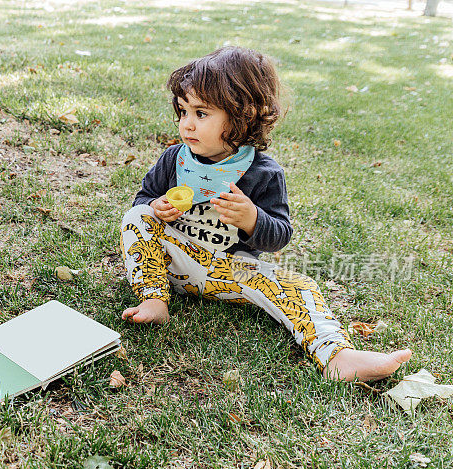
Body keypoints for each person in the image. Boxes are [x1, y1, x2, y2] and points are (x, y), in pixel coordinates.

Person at [119, 46, 411, 381]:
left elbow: (280, 235)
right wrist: (156, 207)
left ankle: (337, 355)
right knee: (137, 217)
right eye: (183, 111)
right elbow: (142, 200)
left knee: (298, 285)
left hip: (229, 271)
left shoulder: (263, 174)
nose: (187, 125)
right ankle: (155, 300)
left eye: (202, 114)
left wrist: (251, 219)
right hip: (171, 263)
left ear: (244, 115)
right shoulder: (174, 159)